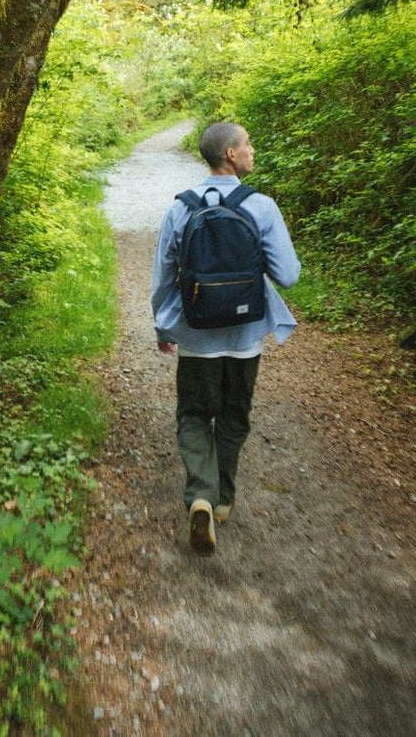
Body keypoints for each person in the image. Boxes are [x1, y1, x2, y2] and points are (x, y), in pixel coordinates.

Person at [151, 122, 301, 553]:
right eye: (248, 143)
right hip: (246, 335)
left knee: (194, 415)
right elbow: (288, 276)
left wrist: (163, 326)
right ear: (231, 155)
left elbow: (163, 278)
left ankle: (201, 494)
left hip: (196, 335)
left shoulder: (180, 208)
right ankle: (222, 500)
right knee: (235, 414)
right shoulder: (262, 206)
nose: (252, 150)